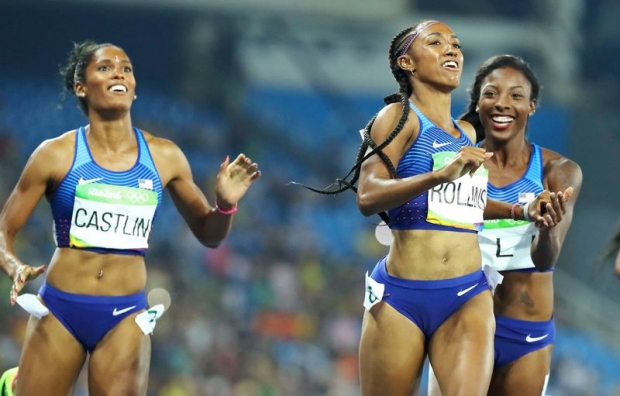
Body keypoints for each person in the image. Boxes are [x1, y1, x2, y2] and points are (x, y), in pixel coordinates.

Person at [292, 20, 572, 396]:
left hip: (467, 295)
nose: (452, 49)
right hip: (401, 298)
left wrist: (521, 212)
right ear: (406, 62)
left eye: (455, 44)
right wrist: (441, 175)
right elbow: (368, 196)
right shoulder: (399, 118)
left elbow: (463, 207)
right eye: (436, 42)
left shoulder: (468, 135)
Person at [0, 41, 261, 395]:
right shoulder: (55, 155)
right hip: (61, 307)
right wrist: (14, 266)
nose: (119, 72)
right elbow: (5, 229)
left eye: (126, 67)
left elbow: (209, 233)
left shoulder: (165, 156)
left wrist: (226, 204)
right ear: (81, 87)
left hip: (125, 314)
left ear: (134, 88)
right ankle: (16, 384)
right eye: (104, 68)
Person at [428, 54, 582, 396]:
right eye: (492, 93)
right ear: (478, 103)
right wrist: (519, 211)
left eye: (515, 95)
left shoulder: (558, 171)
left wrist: (545, 227)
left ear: (532, 106)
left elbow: (545, 260)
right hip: (459, 322)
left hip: (525, 333)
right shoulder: (453, 164)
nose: (503, 104)